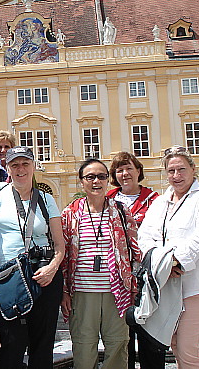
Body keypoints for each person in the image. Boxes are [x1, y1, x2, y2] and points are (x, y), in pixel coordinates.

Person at [138, 146, 199, 368]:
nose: (176, 176)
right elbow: (146, 237)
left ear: (193, 169)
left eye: (181, 169)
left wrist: (176, 262)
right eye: (171, 170)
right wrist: (163, 264)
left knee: (188, 349)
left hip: (196, 285)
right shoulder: (160, 202)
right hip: (166, 283)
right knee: (174, 343)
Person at [61, 158, 141, 369]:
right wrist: (64, 291)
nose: (96, 181)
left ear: (108, 180)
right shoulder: (70, 214)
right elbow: (63, 254)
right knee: (83, 346)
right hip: (82, 291)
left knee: (117, 346)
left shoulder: (121, 211)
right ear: (81, 182)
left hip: (117, 292)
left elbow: (134, 251)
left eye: (101, 176)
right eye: (90, 177)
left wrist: (134, 287)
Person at [0, 147, 65, 368]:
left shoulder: (46, 199)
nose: (20, 169)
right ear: (7, 168)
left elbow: (60, 244)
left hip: (44, 273)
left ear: (33, 166)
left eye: (25, 164)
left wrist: (53, 267)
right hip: (10, 276)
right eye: (15, 165)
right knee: (10, 342)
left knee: (43, 343)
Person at [106, 151, 161, 368]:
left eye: (129, 168)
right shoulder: (108, 199)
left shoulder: (155, 200)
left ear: (139, 171)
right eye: (119, 170)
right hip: (118, 277)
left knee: (149, 335)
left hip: (147, 273)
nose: (124, 173)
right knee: (122, 335)